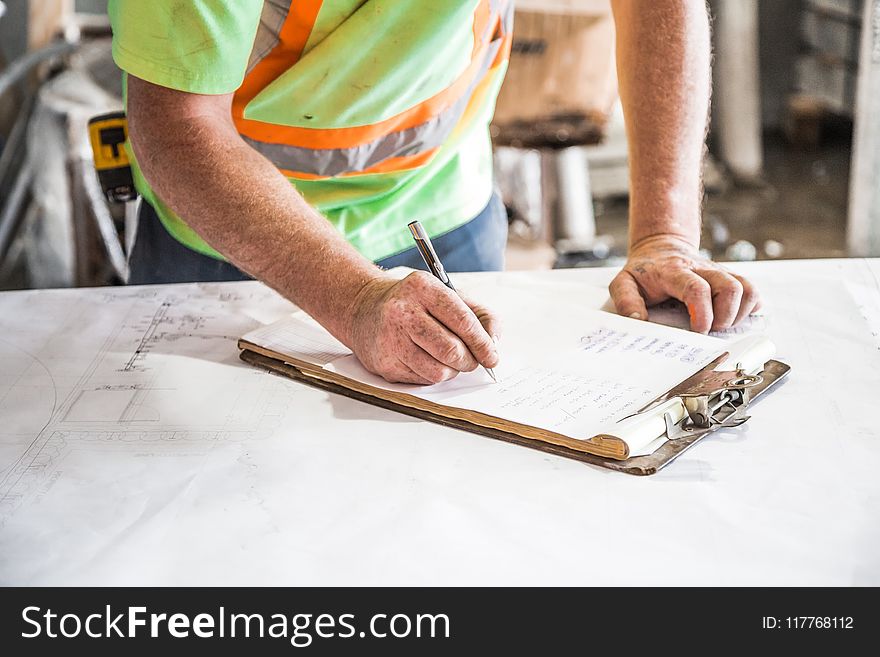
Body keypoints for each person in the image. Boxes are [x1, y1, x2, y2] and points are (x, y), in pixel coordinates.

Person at [108, 0, 760, 385]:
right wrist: (354, 297)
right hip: (233, 240)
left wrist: (664, 235)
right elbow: (177, 123)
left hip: (445, 207)